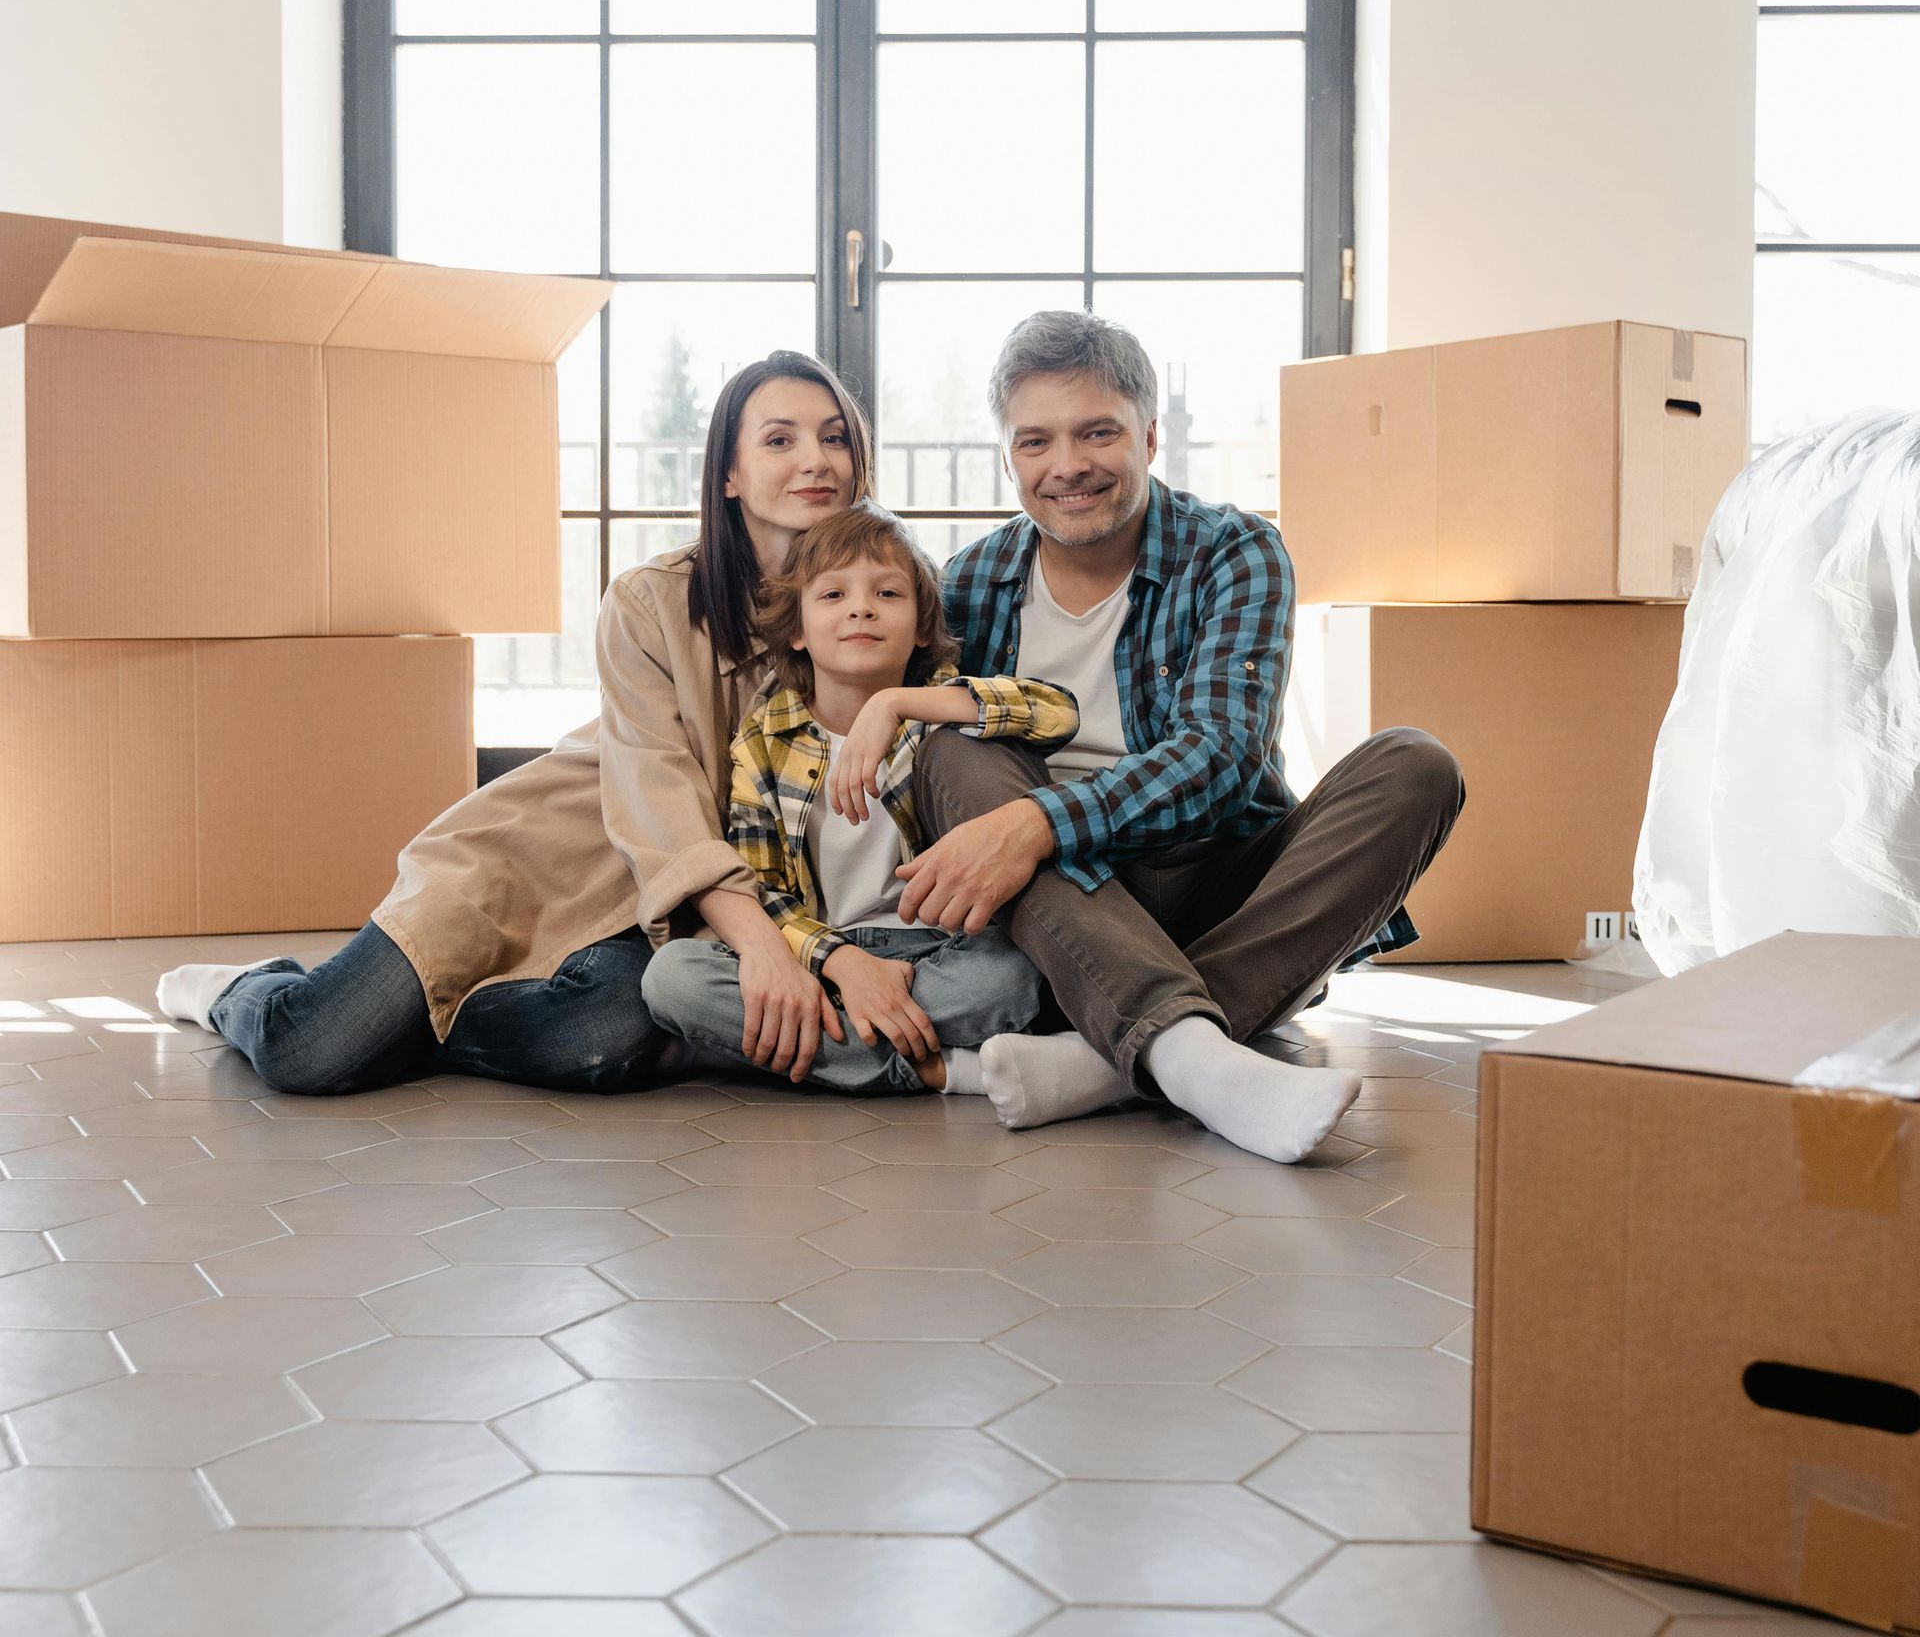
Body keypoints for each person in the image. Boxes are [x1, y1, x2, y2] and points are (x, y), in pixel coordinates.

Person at [155, 351, 872, 1095]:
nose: (815, 461)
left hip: (666, 912)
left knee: (603, 1040)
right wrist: (766, 949)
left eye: (834, 438)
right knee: (312, 1051)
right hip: (539, 862)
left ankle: (412, 1031)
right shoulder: (650, 601)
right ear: (730, 475)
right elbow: (660, 803)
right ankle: (248, 989)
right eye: (780, 440)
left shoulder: (879, 602)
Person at [900, 309, 1466, 1165]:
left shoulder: (1233, 551)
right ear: (1008, 453)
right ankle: (1196, 1056)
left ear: (1151, 435)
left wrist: (1040, 823)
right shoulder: (972, 579)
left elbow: (1222, 757)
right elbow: (942, 784)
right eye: (1035, 442)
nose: (1067, 468)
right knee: (951, 747)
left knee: (1418, 765)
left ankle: (1115, 1059)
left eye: (1098, 433)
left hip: (1215, 875)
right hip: (1066, 908)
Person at [642, 501, 1073, 1093]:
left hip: (938, 951)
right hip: (818, 955)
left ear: (923, 625)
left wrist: (896, 705)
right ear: (796, 629)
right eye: (832, 595)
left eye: (889, 594)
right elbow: (763, 891)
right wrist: (843, 967)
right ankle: (939, 1068)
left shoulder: (943, 714)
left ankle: (828, 1054)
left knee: (1013, 974)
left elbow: (1057, 712)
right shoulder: (764, 741)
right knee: (673, 976)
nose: (862, 607)